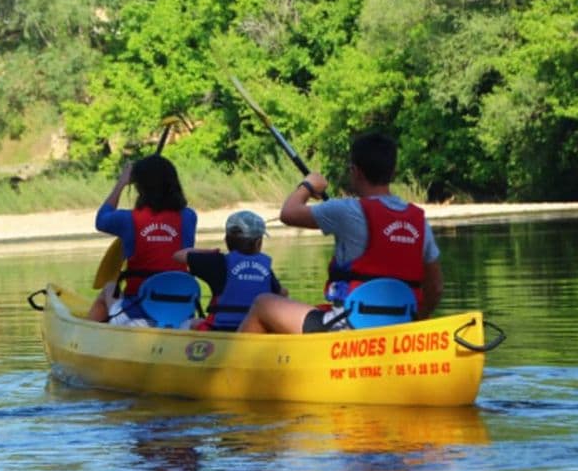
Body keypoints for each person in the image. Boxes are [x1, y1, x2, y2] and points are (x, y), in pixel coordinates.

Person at [238, 132, 443, 334]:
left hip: (348, 328)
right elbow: (435, 289)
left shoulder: (346, 210)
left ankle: (230, 365)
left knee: (263, 303)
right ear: (393, 171)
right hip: (401, 325)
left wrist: (308, 186)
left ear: (356, 171)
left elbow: (288, 213)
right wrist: (417, 320)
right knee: (316, 309)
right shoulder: (419, 220)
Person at [88, 155, 197, 325]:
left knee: (109, 289)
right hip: (181, 315)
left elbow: (101, 219)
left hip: (138, 315)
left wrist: (122, 183)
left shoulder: (127, 220)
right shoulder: (189, 217)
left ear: (139, 186)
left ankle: (88, 338)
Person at [173, 210, 287, 331]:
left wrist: (209, 252)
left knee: (190, 323)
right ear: (259, 242)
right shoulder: (265, 267)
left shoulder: (216, 262)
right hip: (253, 330)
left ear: (226, 239)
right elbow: (282, 293)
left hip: (218, 329)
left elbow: (178, 255)